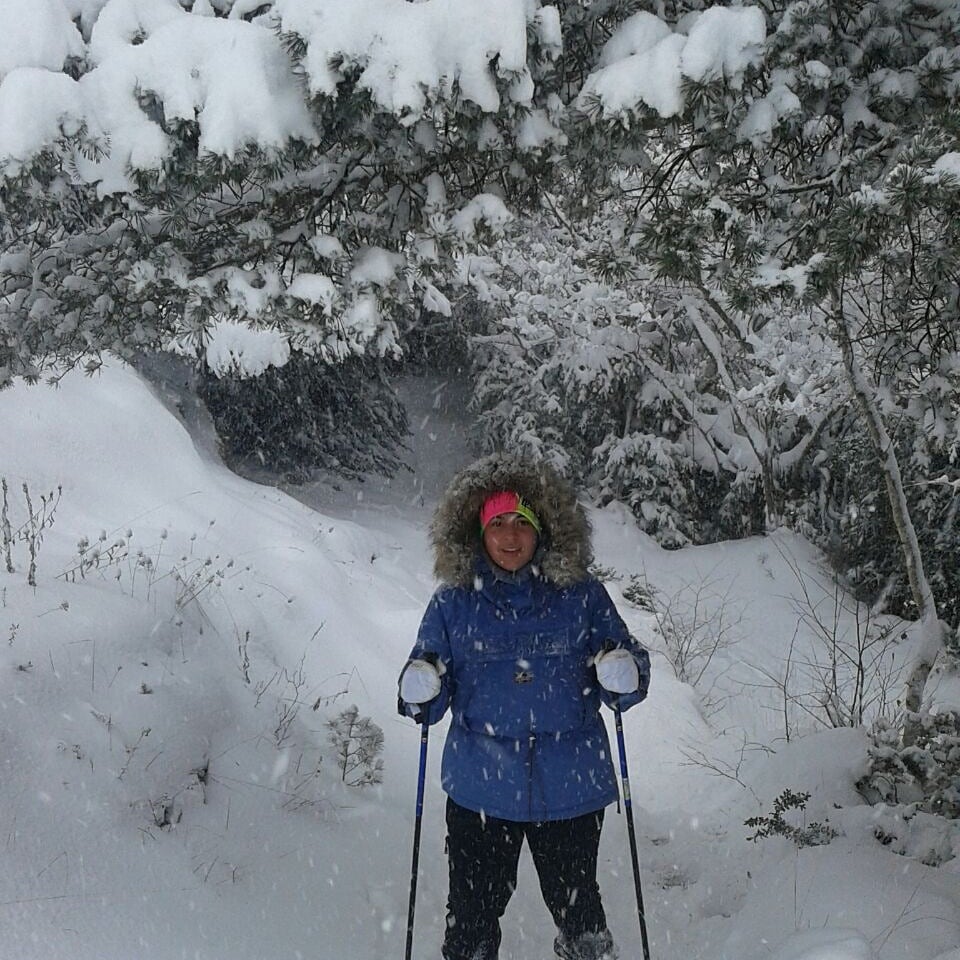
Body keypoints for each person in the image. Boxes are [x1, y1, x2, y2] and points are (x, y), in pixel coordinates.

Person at [397, 454, 651, 960]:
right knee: (470, 927)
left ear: (542, 528)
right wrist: (419, 690)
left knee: (582, 923)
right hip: (481, 791)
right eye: (497, 524)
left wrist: (625, 673)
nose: (510, 537)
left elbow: (626, 676)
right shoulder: (453, 604)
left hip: (571, 789)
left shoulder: (580, 595)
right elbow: (426, 698)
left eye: (521, 523)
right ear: (477, 530)